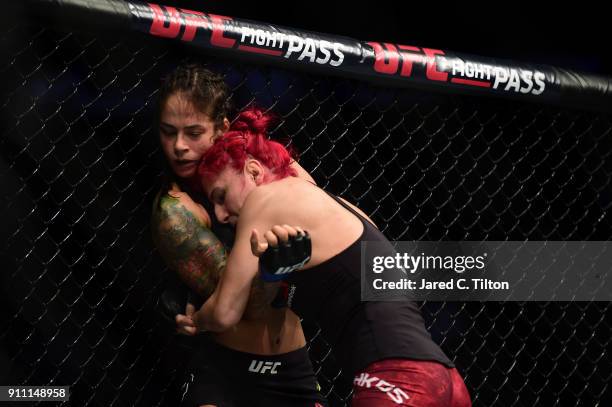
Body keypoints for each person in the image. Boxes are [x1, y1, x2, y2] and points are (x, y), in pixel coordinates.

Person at [193, 112, 472, 406]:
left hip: (397, 380)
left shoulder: (263, 200)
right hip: (446, 378)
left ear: (253, 172)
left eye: (221, 196)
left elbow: (224, 313)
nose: (221, 214)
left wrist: (194, 319)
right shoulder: (333, 204)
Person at [151, 63, 326, 407]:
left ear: (221, 129)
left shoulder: (258, 165)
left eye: (193, 132)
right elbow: (249, 306)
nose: (179, 146)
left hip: (292, 366)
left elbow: (317, 215)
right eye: (168, 132)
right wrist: (278, 263)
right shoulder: (177, 211)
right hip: (227, 372)